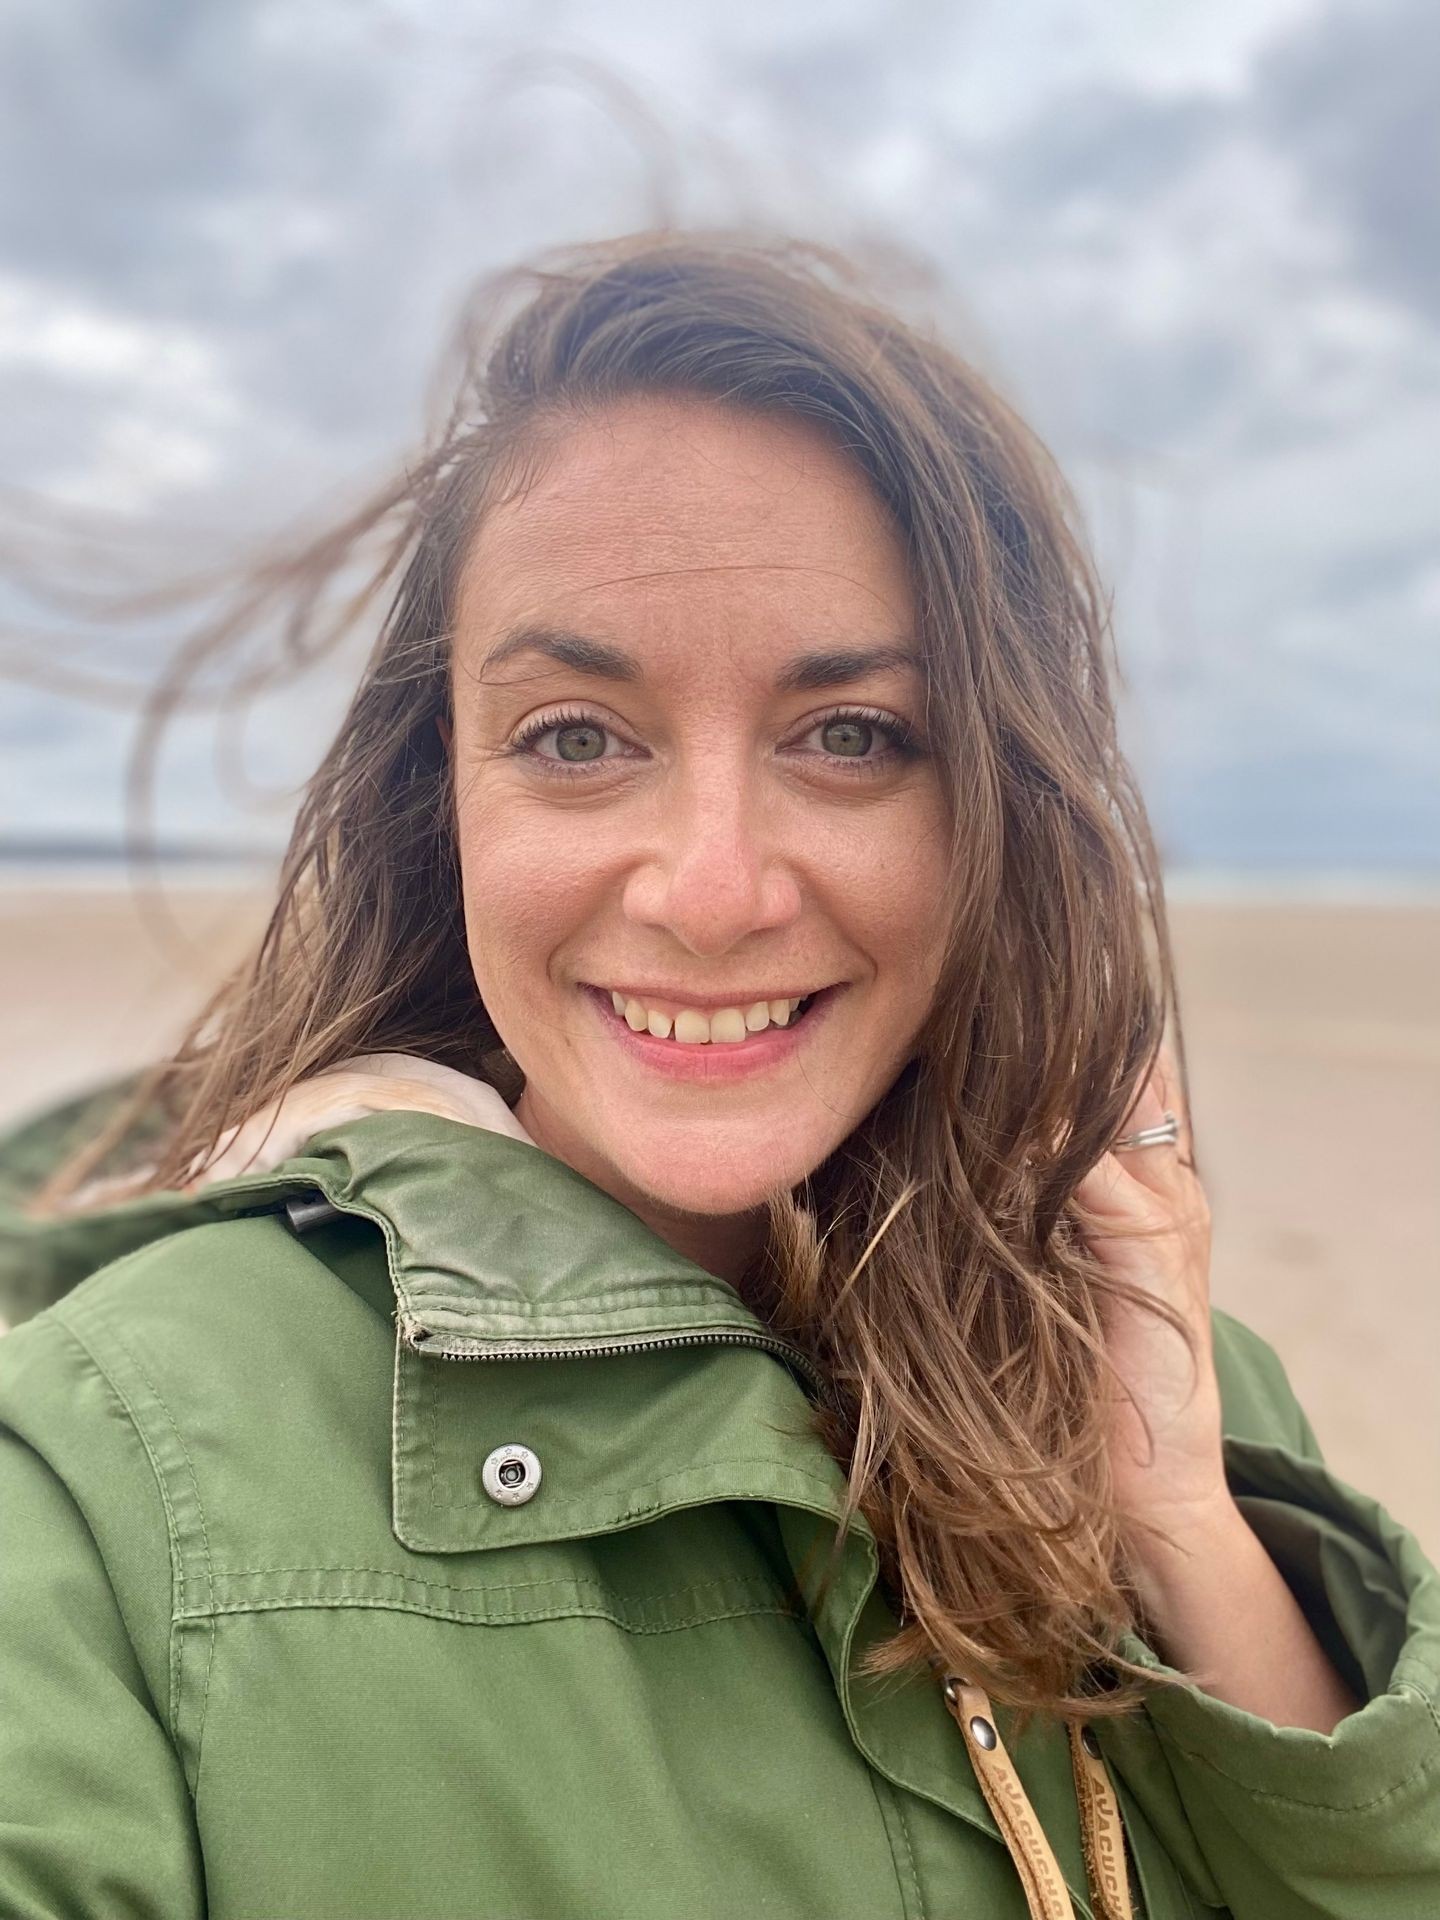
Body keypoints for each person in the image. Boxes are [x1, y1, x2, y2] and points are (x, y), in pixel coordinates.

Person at [1, 232, 1435, 1920]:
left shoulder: (1170, 1371)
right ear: (439, 796)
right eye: (576, 738)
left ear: (999, 805)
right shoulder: (102, 1472)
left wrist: (1179, 1519)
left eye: (851, 737)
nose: (711, 887)